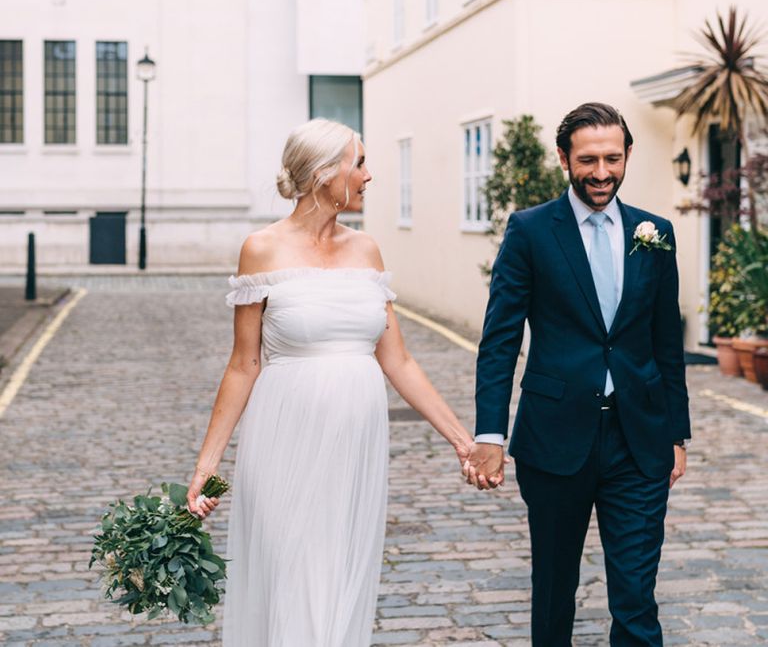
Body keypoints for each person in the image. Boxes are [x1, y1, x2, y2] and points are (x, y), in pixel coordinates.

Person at [186, 118, 473, 646]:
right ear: (323, 174)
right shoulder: (261, 250)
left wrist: (462, 442)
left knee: (340, 574)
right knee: (292, 572)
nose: (368, 176)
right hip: (283, 440)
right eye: (359, 163)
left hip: (355, 448)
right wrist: (208, 467)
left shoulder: (368, 251)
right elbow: (243, 365)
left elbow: (400, 361)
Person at [468, 102, 691, 646]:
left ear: (628, 155)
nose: (601, 172)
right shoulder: (530, 231)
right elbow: (500, 341)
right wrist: (490, 435)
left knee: (637, 595)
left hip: (638, 441)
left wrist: (677, 433)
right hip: (554, 438)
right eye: (588, 159)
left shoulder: (654, 232)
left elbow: (667, 342)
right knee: (554, 589)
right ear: (564, 158)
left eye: (612, 158)